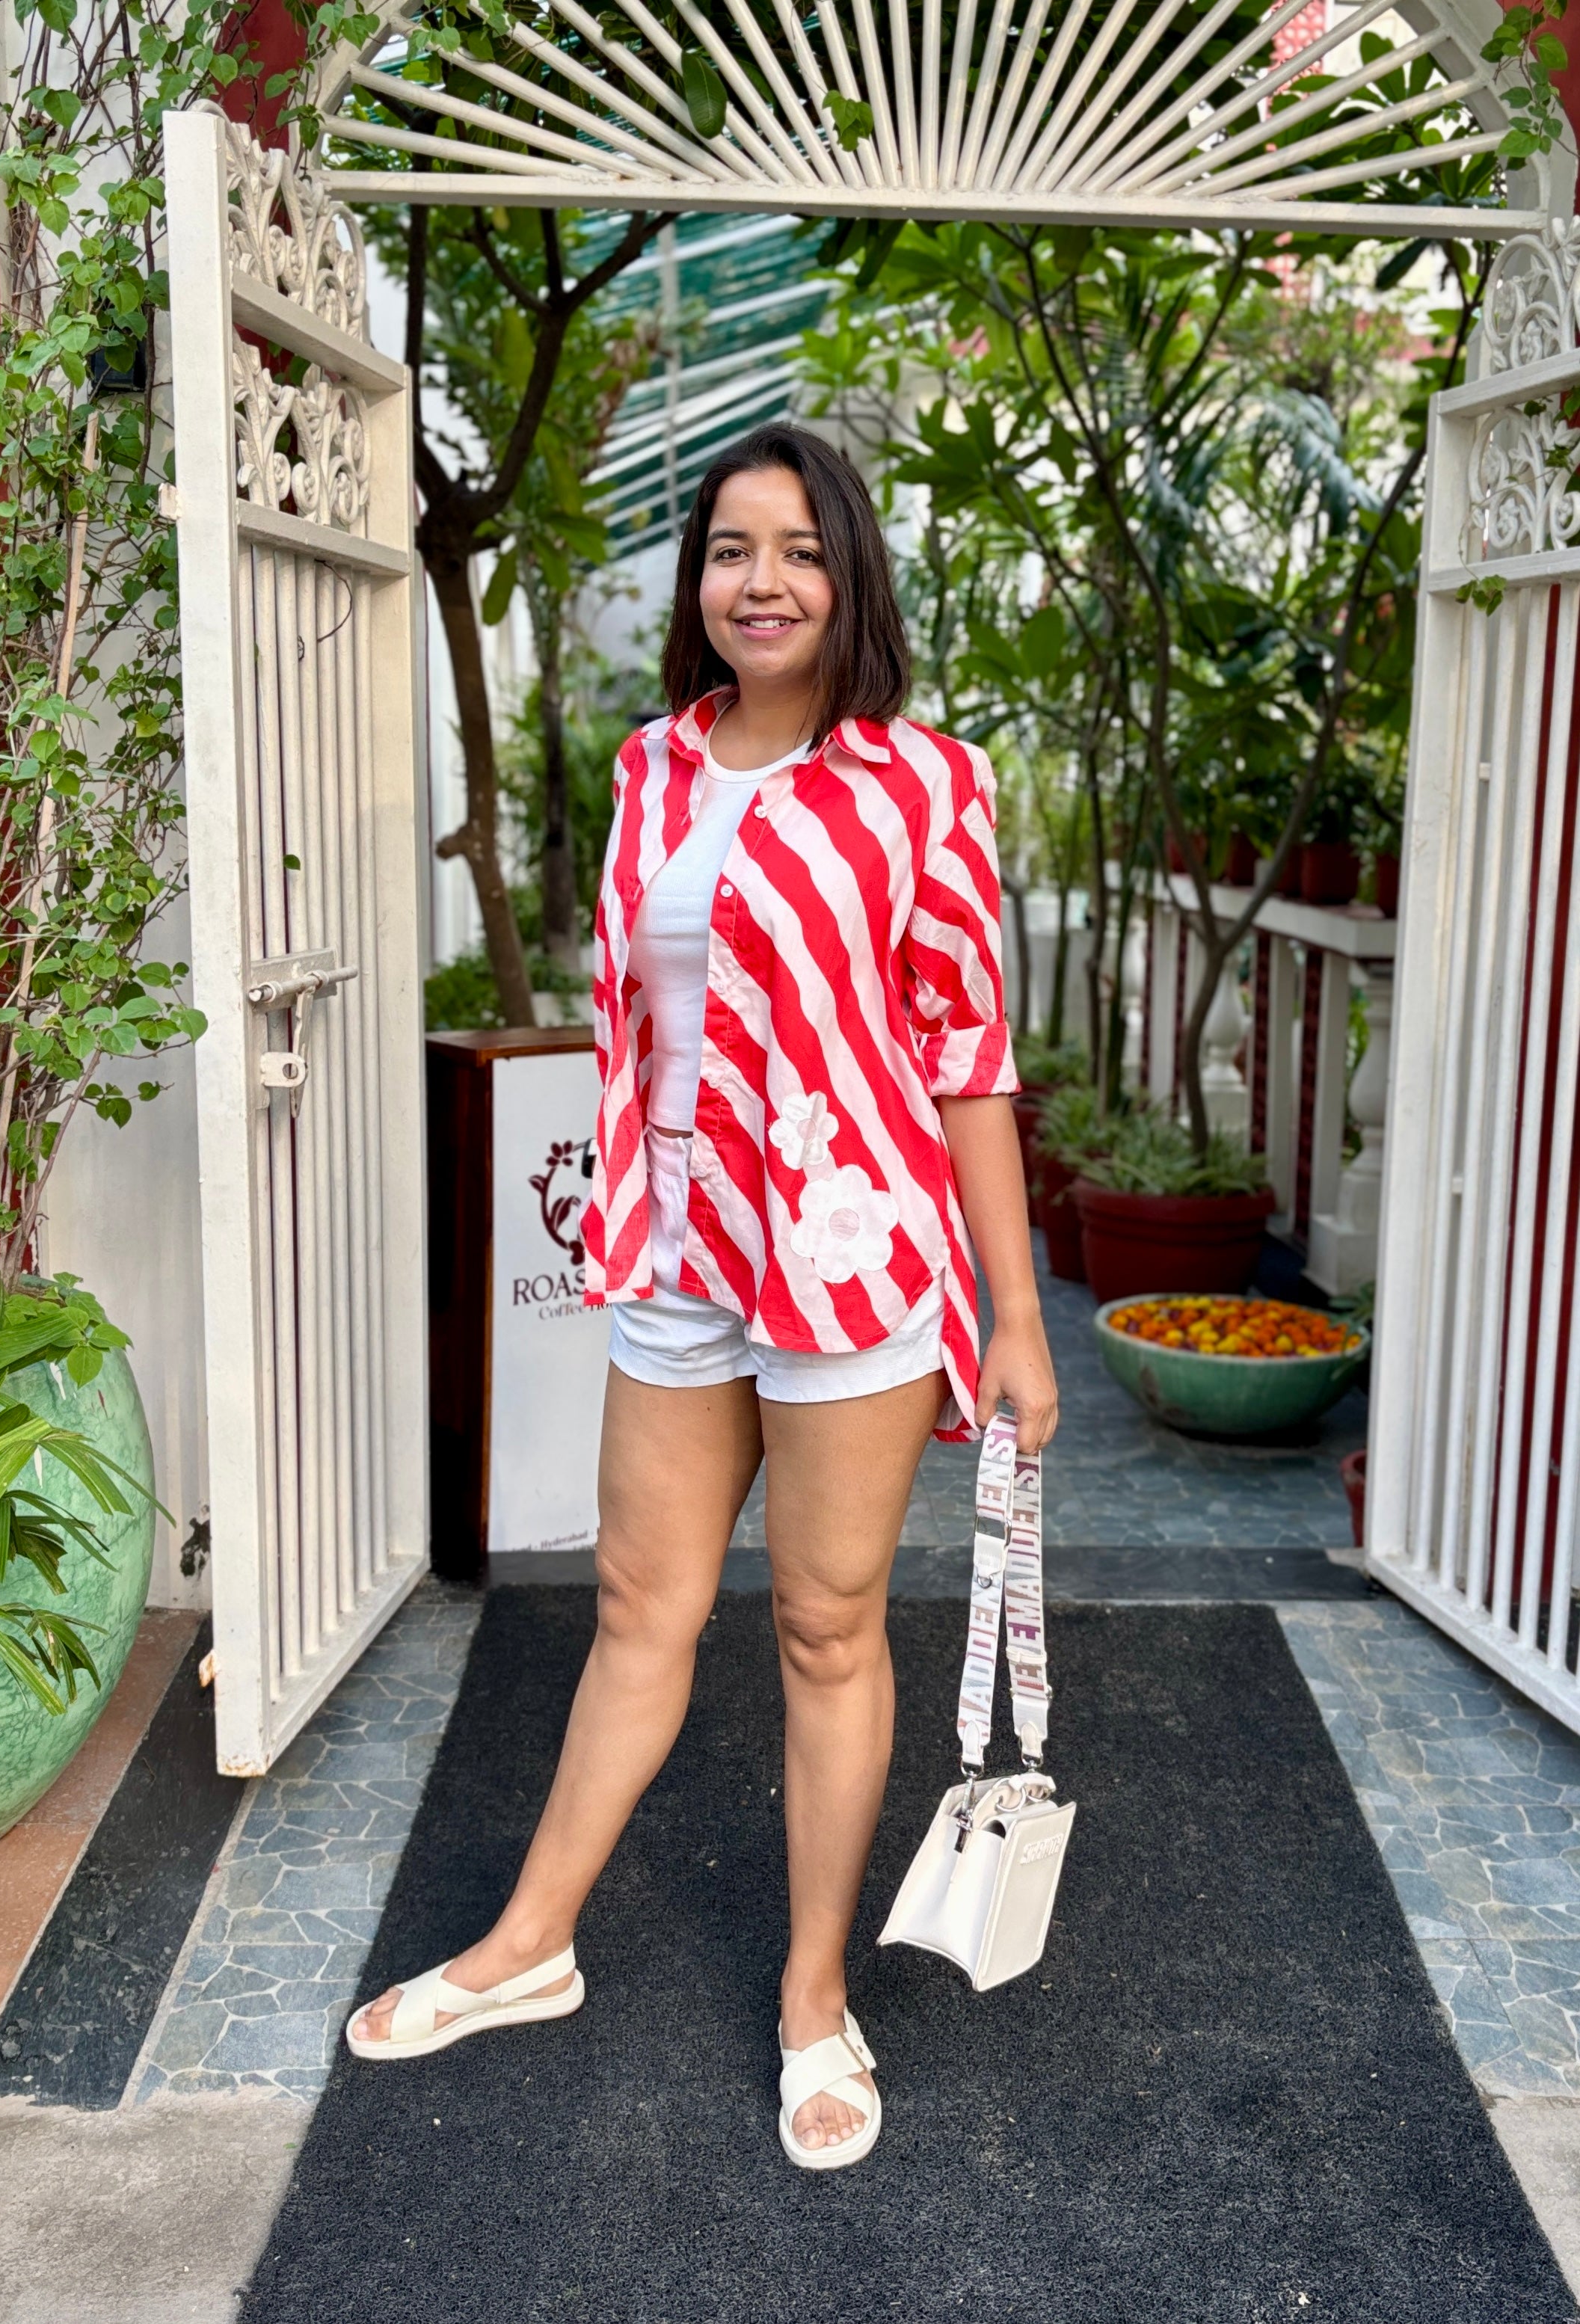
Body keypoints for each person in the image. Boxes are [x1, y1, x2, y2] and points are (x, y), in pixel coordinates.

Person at [348, 424, 1059, 2170]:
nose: (763, 582)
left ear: (850, 579)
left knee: (826, 1630)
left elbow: (967, 1054)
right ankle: (532, 1945)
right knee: (637, 1608)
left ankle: (818, 1997)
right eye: (732, 549)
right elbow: (640, 1022)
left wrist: (1019, 1320)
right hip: (679, 1256)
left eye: (801, 551)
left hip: (851, 1265)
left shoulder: (924, 786)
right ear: (698, 581)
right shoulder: (653, 767)